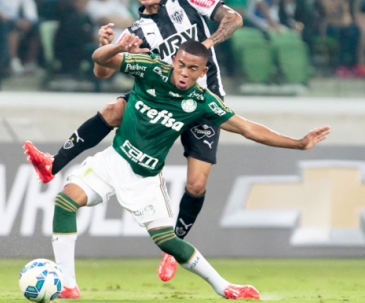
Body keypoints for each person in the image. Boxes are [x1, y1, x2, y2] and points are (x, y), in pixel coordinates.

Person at [26, 37, 330, 299]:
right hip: (112, 161)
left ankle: (224, 287)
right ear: (174, 60)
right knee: (65, 203)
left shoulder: (202, 101)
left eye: (193, 69)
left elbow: (248, 128)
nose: (185, 72)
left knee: (169, 242)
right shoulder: (149, 69)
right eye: (181, 64)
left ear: (203, 72)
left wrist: (298, 143)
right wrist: (118, 45)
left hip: (145, 180)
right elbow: (99, 59)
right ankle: (68, 285)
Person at [23, 0, 244, 286]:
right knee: (114, 110)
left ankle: (173, 247)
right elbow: (101, 72)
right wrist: (107, 48)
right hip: (161, 100)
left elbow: (234, 18)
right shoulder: (137, 31)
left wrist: (206, 44)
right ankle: (53, 164)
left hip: (201, 103)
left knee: (197, 183)